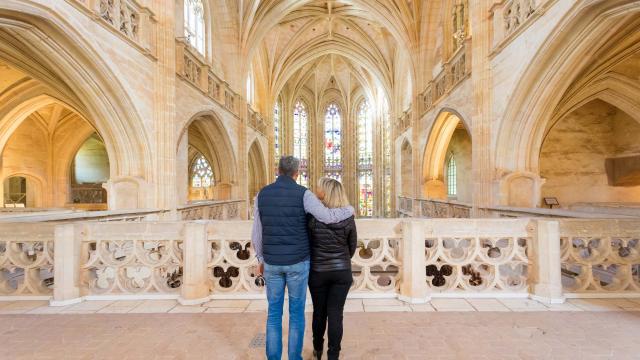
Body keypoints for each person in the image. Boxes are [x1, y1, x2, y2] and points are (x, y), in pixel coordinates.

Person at [251, 156, 354, 360]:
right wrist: (349, 210)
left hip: (271, 262)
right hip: (298, 262)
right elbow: (327, 217)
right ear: (297, 173)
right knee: (296, 315)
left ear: (277, 170)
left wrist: (260, 259)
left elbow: (257, 233)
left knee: (273, 315)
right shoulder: (304, 194)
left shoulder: (262, 195)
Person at [307, 177, 356, 360]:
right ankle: (333, 355)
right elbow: (352, 246)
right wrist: (341, 261)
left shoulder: (312, 217)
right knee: (336, 313)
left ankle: (317, 349)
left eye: (319, 188)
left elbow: (309, 244)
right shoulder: (349, 217)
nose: (316, 190)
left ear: (325, 193)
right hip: (342, 272)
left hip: (318, 272)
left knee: (319, 312)